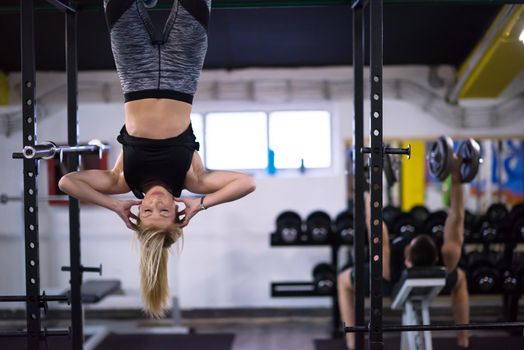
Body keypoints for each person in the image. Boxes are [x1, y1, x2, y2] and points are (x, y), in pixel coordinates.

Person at [58, 0, 256, 317]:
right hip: (183, 68)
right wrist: (200, 204)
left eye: (147, 209)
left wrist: (115, 206)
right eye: (165, 210)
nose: (156, 201)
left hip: (134, 71)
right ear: (178, 211)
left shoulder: (123, 180)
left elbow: (67, 182)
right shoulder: (192, 179)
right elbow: (247, 183)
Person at [337, 157, 469, 349]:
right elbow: (457, 217)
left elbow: (373, 220)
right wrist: (456, 179)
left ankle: (352, 344)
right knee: (461, 278)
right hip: (435, 282)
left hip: (386, 281)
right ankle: (463, 339)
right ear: (435, 256)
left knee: (343, 280)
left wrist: (371, 184)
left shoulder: (389, 262)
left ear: (407, 260)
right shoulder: (446, 261)